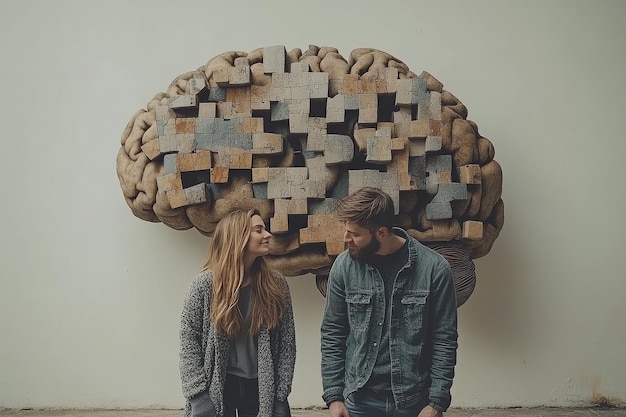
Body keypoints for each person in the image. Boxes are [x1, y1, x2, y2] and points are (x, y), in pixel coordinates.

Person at [321, 187, 458, 417]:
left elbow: (444, 338)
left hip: (413, 402)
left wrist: (436, 403)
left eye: (354, 234)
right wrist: (334, 397)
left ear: (381, 233)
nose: (346, 239)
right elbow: (333, 333)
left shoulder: (434, 269)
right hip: (358, 400)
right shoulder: (344, 267)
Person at [179, 209, 296, 417]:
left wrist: (280, 397)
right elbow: (189, 343)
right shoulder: (204, 285)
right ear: (238, 237)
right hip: (219, 383)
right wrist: (198, 397)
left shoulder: (276, 285)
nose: (268, 235)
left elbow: (287, 344)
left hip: (262, 387)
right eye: (258, 230)